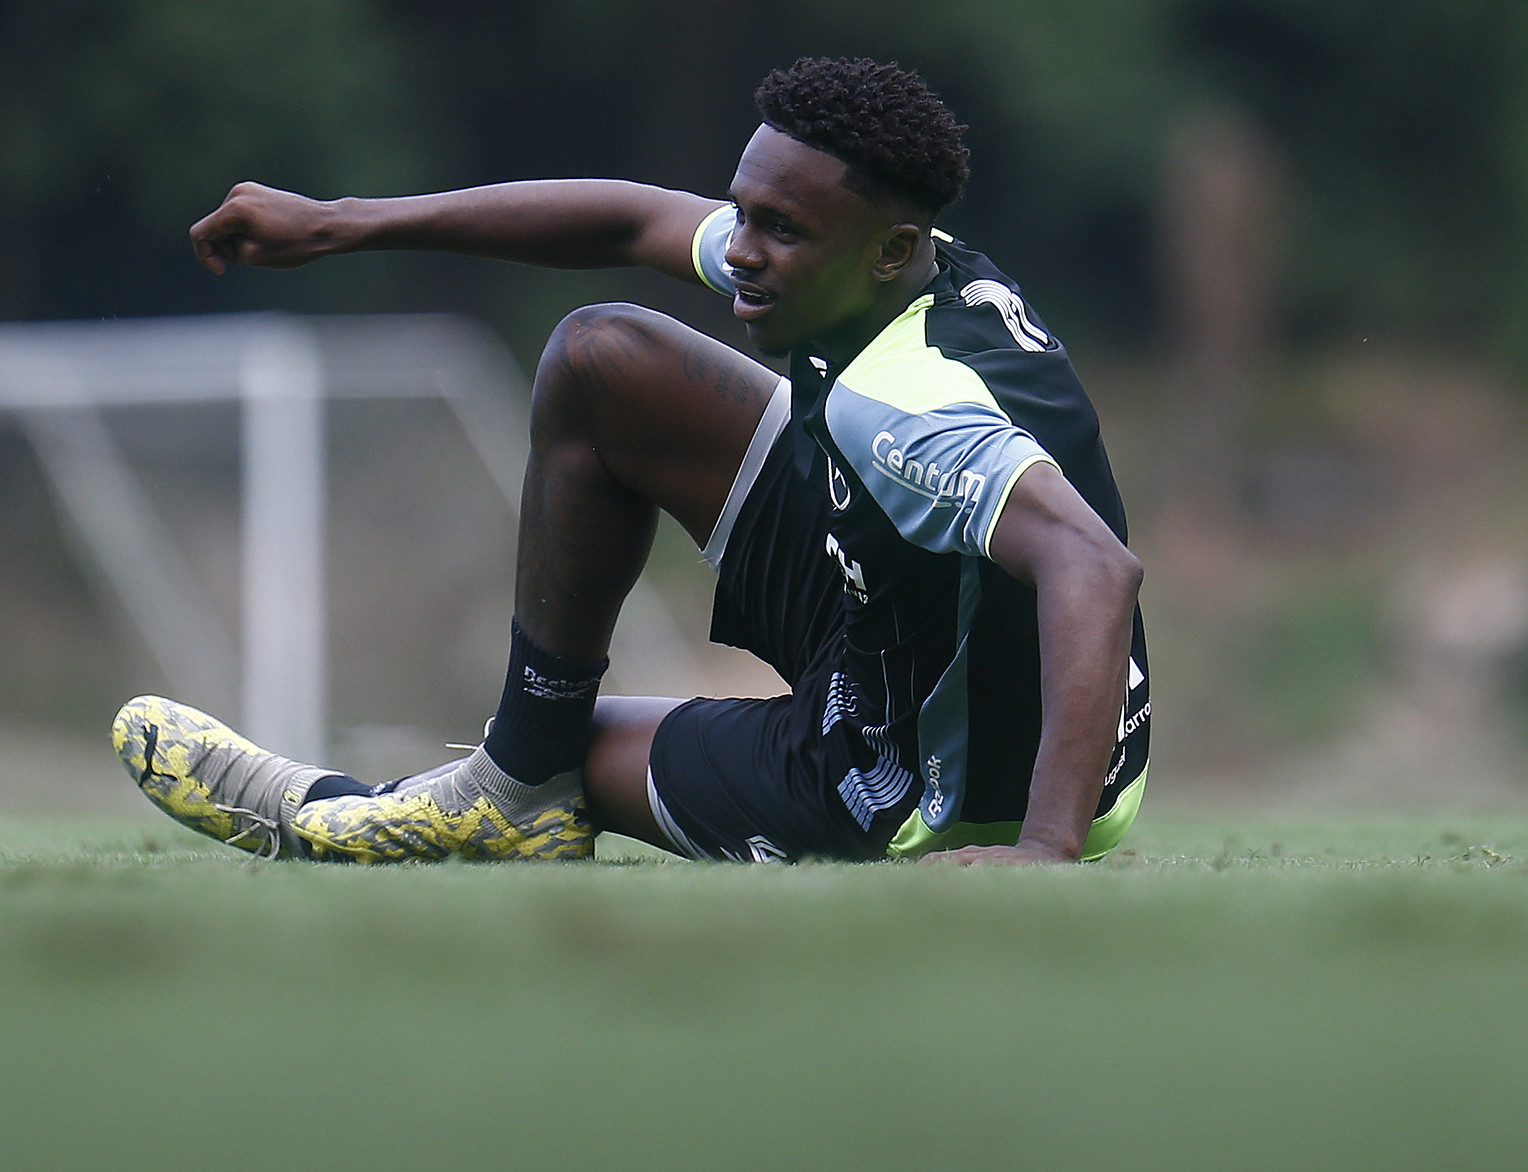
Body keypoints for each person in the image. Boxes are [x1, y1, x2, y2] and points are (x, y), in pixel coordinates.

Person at [113, 56, 1150, 866]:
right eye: (742, 210)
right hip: (905, 632)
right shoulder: (904, 272)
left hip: (935, 777)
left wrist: (1043, 848)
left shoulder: (907, 401)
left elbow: (1092, 567)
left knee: (580, 756)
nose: (737, 247)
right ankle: (511, 782)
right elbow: (628, 217)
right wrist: (339, 223)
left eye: (776, 229)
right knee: (604, 358)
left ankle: (479, 798)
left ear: (886, 247)